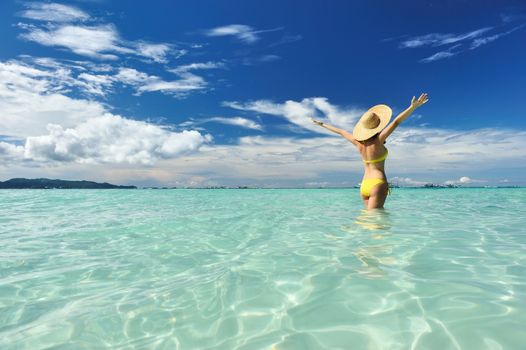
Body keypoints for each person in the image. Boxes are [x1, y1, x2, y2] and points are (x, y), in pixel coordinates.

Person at [312, 93, 429, 209]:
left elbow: (341, 132)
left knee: (368, 220)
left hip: (364, 185)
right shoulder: (378, 140)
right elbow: (396, 122)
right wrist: (412, 107)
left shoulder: (358, 143)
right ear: (377, 127)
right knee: (377, 221)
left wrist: (322, 124)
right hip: (377, 183)